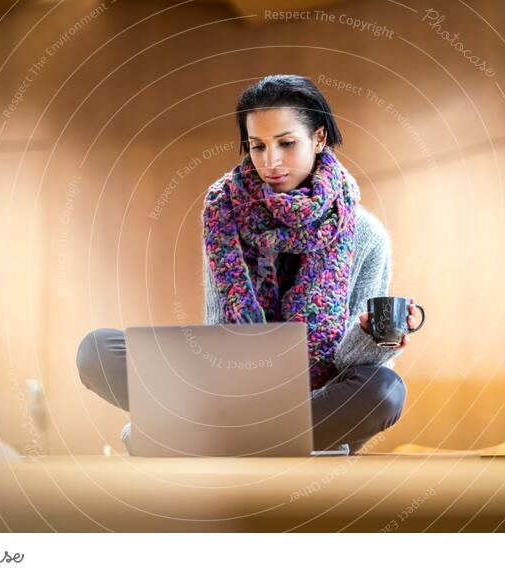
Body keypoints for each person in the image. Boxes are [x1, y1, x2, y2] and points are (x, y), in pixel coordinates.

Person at [77, 74, 421, 455]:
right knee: (96, 351)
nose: (270, 162)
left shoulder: (366, 237)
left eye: (286, 143)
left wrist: (372, 339)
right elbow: (220, 332)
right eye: (258, 146)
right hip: (232, 395)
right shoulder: (224, 215)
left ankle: (207, 439)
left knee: (385, 390)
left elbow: (348, 364)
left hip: (315, 405)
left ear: (319, 138)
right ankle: (253, 441)